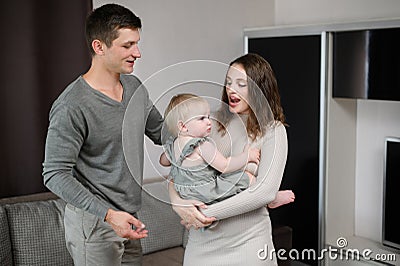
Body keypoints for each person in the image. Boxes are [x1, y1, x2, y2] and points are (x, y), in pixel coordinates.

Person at [42, 4, 163, 265]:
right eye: (127, 45)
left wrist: (196, 128)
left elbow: (161, 132)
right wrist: (109, 215)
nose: (137, 53)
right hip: (95, 224)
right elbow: (54, 174)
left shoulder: (134, 87)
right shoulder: (72, 105)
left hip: (130, 218)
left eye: (137, 44)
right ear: (99, 47)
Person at [168, 53, 293, 265]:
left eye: (241, 84)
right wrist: (178, 203)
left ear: (259, 88)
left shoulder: (273, 131)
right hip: (203, 244)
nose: (231, 90)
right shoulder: (211, 123)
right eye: (228, 82)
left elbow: (264, 191)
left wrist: (204, 214)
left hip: (248, 244)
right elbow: (179, 170)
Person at [160, 93, 260, 204]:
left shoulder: (173, 145)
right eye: (201, 118)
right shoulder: (201, 145)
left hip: (185, 195)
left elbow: (163, 161)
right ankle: (268, 199)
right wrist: (247, 156)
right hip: (205, 192)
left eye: (208, 117)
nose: (209, 122)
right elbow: (225, 166)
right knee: (246, 177)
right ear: (183, 126)